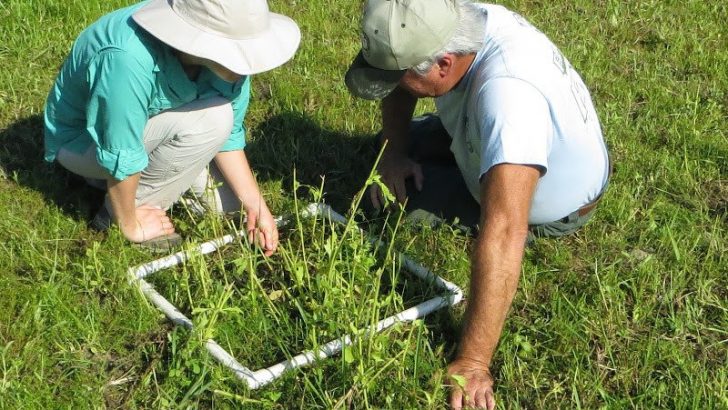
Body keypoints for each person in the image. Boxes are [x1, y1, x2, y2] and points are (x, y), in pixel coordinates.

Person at [345, 0, 610, 408]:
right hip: (498, 132)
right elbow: (401, 83)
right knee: (386, 155)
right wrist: (393, 152)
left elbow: (505, 230)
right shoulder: (452, 17)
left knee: (388, 204)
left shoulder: (509, 100)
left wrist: (472, 361)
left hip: (556, 206)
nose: (393, 85)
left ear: (444, 65)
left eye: (398, 77)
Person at [44, 0, 301, 254]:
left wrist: (256, 206)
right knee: (214, 118)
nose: (246, 63)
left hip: (162, 131)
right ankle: (117, 214)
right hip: (86, 145)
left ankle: (157, 179)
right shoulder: (126, 58)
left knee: (230, 208)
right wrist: (130, 224)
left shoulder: (228, 64)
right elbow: (121, 151)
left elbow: (230, 136)